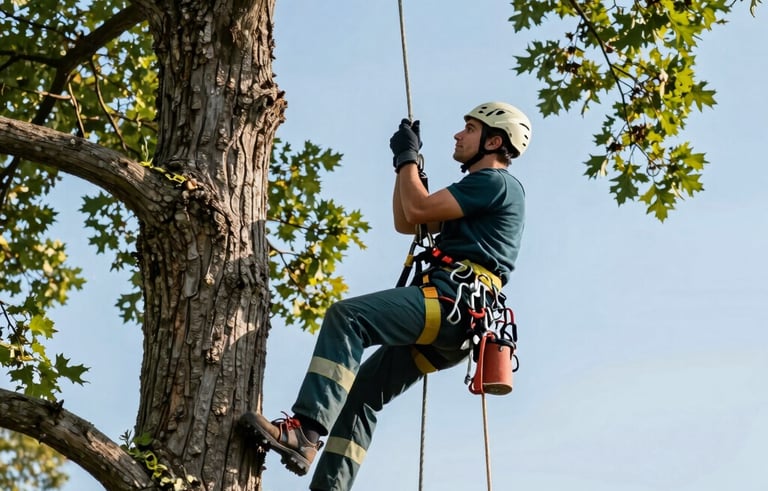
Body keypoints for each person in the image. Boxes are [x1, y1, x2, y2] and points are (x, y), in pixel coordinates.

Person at [239, 101, 531, 491]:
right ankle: (331, 486)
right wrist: (404, 166)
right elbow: (407, 220)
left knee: (349, 318)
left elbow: (416, 207)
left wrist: (408, 159)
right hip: (459, 327)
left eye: (469, 129)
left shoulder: (493, 182)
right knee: (364, 394)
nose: (458, 135)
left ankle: (305, 431)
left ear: (494, 141)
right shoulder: (483, 192)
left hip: (451, 303)